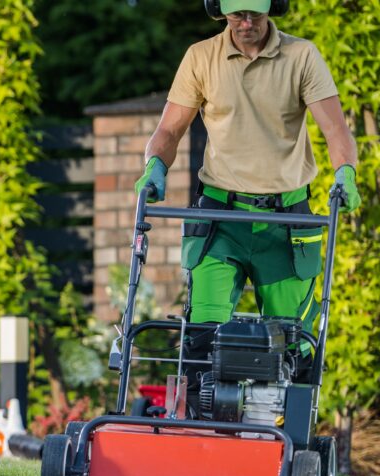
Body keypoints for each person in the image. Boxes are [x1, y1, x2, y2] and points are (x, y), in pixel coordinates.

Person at [133, 0, 360, 354]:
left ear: (274, 7)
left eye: (255, 12)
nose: (246, 22)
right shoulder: (201, 57)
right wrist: (155, 167)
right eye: (238, 13)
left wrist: (345, 172)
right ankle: (203, 404)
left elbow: (335, 130)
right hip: (221, 220)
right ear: (219, 9)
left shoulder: (301, 56)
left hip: (286, 222)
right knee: (203, 340)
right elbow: (169, 130)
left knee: (292, 346)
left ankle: (282, 407)